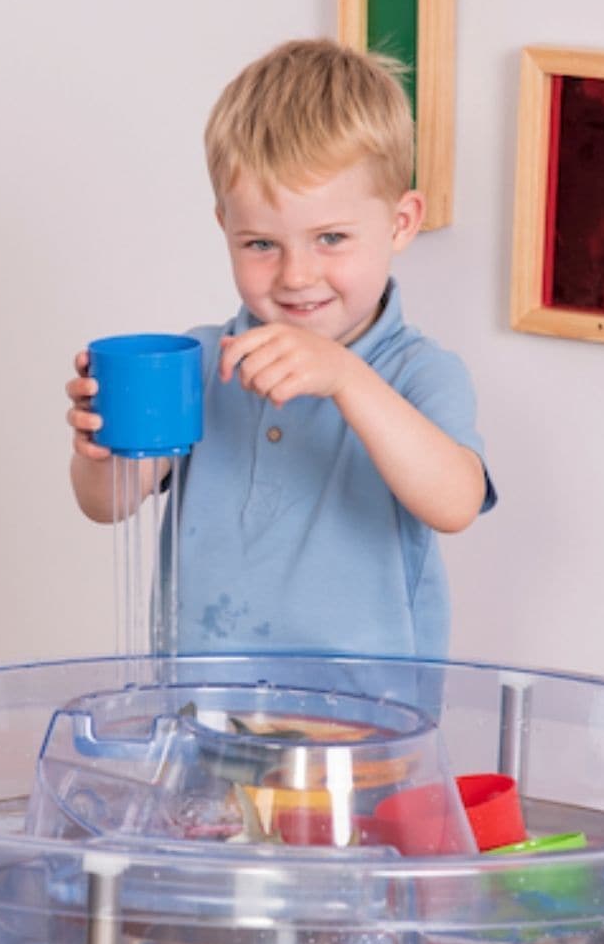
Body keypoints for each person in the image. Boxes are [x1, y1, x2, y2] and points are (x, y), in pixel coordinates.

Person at [66, 38, 495, 706]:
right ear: (225, 228)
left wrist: (347, 380)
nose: (297, 275)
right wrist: (99, 448)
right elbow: (108, 506)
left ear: (401, 222)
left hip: (367, 738)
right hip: (203, 720)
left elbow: (456, 502)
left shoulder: (418, 371)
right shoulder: (202, 363)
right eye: (261, 244)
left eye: (331, 238)